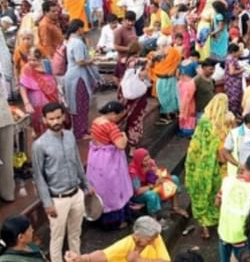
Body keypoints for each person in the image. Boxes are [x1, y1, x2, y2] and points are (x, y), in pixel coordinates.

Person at [31, 102, 93, 262]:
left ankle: (76, 259)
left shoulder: (70, 136)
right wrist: (47, 203)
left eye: (58, 117)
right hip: (57, 199)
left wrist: (86, 184)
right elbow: (39, 176)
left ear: (64, 117)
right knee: (57, 239)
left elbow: (78, 162)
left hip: (76, 193)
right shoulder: (39, 145)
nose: (56, 122)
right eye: (51, 119)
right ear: (44, 120)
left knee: (75, 234)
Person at [185, 94, 229, 239]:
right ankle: (216, 221)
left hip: (197, 168)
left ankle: (204, 228)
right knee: (214, 195)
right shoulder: (222, 125)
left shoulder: (203, 122)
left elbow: (195, 146)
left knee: (200, 196)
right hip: (216, 168)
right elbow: (224, 150)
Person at [86, 101, 133, 229]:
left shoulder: (96, 121)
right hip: (109, 161)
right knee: (114, 189)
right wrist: (124, 136)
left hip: (96, 158)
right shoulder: (111, 127)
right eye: (118, 116)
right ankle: (116, 221)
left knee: (100, 188)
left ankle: (97, 215)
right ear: (112, 114)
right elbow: (121, 145)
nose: (119, 119)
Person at [216, 154, 250, 262]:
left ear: (245, 165)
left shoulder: (227, 180)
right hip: (241, 238)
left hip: (224, 233)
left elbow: (218, 203)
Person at [64, 216, 170, 262]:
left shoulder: (155, 236)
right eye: (149, 239)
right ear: (137, 235)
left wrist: (139, 260)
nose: (153, 241)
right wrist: (81, 259)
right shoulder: (125, 245)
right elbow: (102, 255)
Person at [64, 19, 99, 140]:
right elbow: (80, 61)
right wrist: (92, 60)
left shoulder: (71, 41)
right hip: (77, 77)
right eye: (83, 28)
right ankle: (80, 132)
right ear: (79, 28)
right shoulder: (77, 43)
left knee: (80, 104)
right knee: (80, 104)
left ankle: (83, 128)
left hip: (74, 75)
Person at [129, 148, 186, 217]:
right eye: (145, 161)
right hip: (140, 194)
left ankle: (175, 207)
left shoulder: (151, 163)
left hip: (153, 185)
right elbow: (137, 191)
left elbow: (159, 174)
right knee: (151, 194)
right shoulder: (133, 172)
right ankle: (154, 217)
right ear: (139, 161)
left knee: (174, 179)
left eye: (148, 158)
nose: (148, 162)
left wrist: (159, 175)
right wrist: (152, 186)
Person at [19, 47, 60, 137]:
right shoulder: (27, 68)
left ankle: (52, 136)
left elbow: (53, 78)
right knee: (37, 119)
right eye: (29, 59)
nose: (31, 62)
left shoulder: (47, 64)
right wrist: (27, 103)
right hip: (36, 100)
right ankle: (40, 136)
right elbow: (22, 86)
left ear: (41, 58)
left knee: (52, 117)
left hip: (51, 96)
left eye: (34, 60)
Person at [117, 41, 148, 149]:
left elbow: (116, 76)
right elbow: (143, 76)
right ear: (139, 51)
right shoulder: (139, 62)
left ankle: (117, 139)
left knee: (122, 117)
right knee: (135, 120)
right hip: (137, 95)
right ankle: (132, 147)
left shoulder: (121, 61)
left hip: (123, 92)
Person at [150, 35, 181, 125]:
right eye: (160, 46)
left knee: (170, 97)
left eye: (162, 45)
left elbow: (177, 63)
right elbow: (153, 65)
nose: (161, 47)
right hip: (163, 78)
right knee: (167, 97)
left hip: (169, 78)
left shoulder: (173, 52)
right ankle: (170, 115)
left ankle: (170, 116)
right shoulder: (158, 53)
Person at [113, 11, 138, 80]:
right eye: (128, 21)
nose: (131, 23)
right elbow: (116, 46)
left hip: (133, 59)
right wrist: (128, 48)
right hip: (123, 60)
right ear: (124, 20)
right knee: (124, 82)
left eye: (132, 21)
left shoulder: (133, 28)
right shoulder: (119, 31)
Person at [177, 59, 197, 137]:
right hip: (189, 84)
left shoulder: (181, 63)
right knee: (190, 108)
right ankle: (189, 130)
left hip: (182, 84)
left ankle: (183, 128)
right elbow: (199, 74)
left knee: (183, 105)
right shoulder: (194, 64)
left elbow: (177, 75)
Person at [225, 43, 245, 117]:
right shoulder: (231, 59)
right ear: (233, 52)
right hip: (233, 84)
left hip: (233, 83)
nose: (239, 53)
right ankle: (234, 116)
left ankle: (235, 114)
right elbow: (232, 72)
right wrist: (241, 70)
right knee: (234, 100)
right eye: (238, 51)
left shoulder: (230, 58)